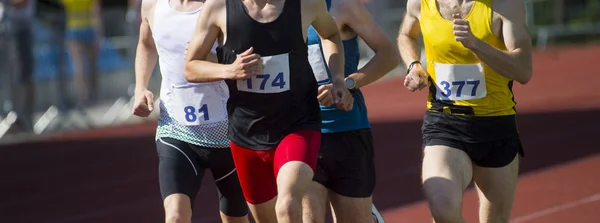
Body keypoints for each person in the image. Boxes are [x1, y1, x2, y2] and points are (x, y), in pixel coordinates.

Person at [183, 0, 354, 222]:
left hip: (298, 124)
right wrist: (230, 70)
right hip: (246, 133)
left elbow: (330, 34)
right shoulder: (218, 8)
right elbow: (190, 66)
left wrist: (338, 78)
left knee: (287, 204)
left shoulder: (305, 4)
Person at [397, 0, 532, 222]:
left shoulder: (504, 6)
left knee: (495, 219)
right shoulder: (421, 3)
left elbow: (524, 70)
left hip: (496, 123)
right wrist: (414, 65)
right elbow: (406, 35)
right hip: (445, 122)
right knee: (442, 207)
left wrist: (475, 44)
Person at [132, 0, 250, 222]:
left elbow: (253, 56)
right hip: (177, 129)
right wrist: (140, 88)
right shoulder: (152, 5)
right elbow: (146, 43)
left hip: (229, 131)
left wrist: (216, 60)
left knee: (235, 218)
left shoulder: (227, 5)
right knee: (176, 215)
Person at [301, 0, 400, 222]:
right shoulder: (281, 10)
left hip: (347, 130)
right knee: (308, 217)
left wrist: (348, 84)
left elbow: (388, 55)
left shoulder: (343, 6)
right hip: (303, 132)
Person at [60, 0, 102, 105]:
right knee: (92, 65)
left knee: (78, 66)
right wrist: (98, 32)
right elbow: (96, 9)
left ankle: (83, 97)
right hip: (89, 28)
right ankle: (93, 94)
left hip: (74, 29)